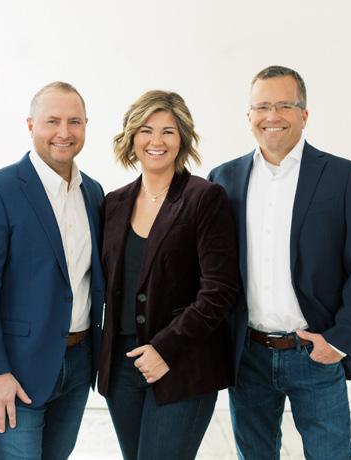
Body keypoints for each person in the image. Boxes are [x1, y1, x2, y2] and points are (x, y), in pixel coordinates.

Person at [208, 65, 351, 459]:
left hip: (314, 351)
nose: (272, 116)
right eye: (262, 106)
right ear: (248, 116)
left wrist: (339, 341)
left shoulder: (342, 176)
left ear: (304, 114)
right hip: (248, 355)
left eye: (284, 105)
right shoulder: (224, 178)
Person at [0, 81, 105, 460]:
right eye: (52, 121)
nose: (64, 132)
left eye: (74, 122)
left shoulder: (93, 193)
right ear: (30, 125)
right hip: (15, 370)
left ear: (86, 125)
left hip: (78, 362)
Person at [97, 90, 240, 460]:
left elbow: (219, 290)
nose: (156, 141)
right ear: (131, 137)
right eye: (146, 130)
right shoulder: (113, 203)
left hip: (184, 362)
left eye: (168, 131)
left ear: (182, 139)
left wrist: (165, 348)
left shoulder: (204, 198)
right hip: (122, 366)